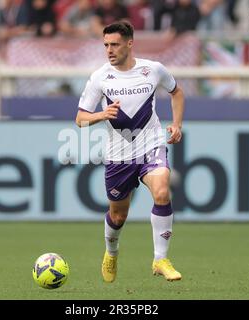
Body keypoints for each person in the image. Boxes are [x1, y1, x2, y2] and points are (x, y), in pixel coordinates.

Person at [75, 21, 184, 282]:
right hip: (119, 155)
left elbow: (177, 92)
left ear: (130, 43)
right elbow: (80, 119)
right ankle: (111, 252)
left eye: (114, 44)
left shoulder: (153, 70)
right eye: (106, 45)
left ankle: (161, 259)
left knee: (161, 190)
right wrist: (102, 114)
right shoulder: (100, 77)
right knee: (118, 214)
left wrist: (177, 124)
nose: (109, 50)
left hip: (151, 145)